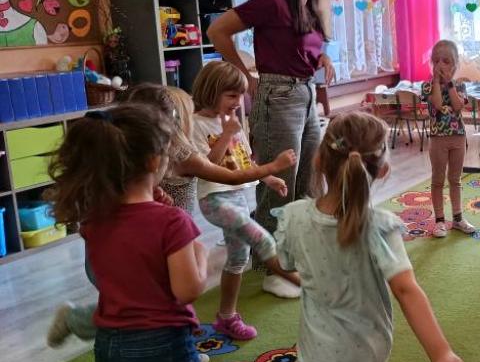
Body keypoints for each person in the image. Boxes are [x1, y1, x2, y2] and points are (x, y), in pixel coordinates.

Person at [47, 104, 247, 362]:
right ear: (155, 162)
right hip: (164, 348)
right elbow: (186, 290)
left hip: (110, 348)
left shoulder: (95, 220)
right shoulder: (171, 221)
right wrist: (202, 255)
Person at [275, 112, 467, 362]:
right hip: (368, 348)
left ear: (319, 161)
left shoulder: (294, 218)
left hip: (322, 357)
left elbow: (286, 263)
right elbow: (406, 289)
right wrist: (441, 353)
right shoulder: (379, 226)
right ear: (382, 170)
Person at [46, 84, 297, 348]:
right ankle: (93, 326)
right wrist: (274, 167)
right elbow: (189, 289)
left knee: (131, 311)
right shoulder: (175, 155)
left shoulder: (127, 155)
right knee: (142, 309)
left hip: (134, 250)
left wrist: (155, 196)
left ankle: (110, 334)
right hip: (148, 249)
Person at [206, 0, 336, 299]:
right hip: (278, 95)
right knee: (279, 182)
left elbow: (305, 50)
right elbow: (217, 31)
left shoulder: (308, 8)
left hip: (306, 94)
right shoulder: (272, 2)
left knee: (310, 179)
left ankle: (296, 254)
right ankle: (271, 267)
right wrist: (243, 73)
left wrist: (323, 59)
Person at [191, 61, 299, 341]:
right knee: (261, 239)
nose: (237, 101)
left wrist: (268, 178)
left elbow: (245, 161)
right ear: (210, 91)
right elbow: (207, 166)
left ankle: (227, 317)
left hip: (239, 197)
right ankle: (304, 284)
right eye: (231, 95)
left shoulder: (235, 123)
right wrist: (226, 133)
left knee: (238, 259)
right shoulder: (196, 124)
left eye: (240, 95)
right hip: (215, 200)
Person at [420, 39, 475, 238]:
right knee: (437, 180)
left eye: (446, 61)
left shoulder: (459, 85)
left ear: (455, 64)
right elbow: (436, 103)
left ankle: (458, 218)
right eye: (436, 61)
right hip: (438, 140)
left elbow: (458, 106)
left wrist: (449, 83)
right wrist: (436, 82)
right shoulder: (427, 86)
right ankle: (440, 220)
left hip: (458, 138)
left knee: (455, 179)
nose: (440, 65)